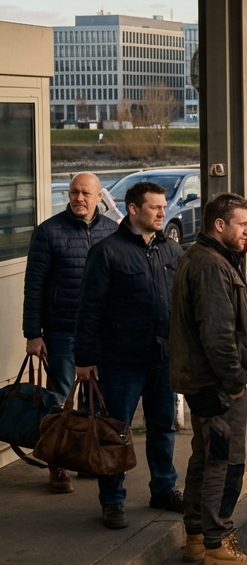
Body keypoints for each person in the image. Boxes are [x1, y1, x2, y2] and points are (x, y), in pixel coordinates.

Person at [169, 192, 247, 565]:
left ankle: (196, 536)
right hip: (215, 383)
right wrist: (234, 383)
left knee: (205, 455)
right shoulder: (210, 266)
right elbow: (216, 333)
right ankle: (218, 545)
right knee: (223, 462)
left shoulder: (208, 257)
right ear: (219, 226)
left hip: (201, 379)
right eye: (243, 225)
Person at [76, 180, 183, 530]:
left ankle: (164, 489)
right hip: (121, 360)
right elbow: (89, 309)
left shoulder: (171, 250)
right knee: (115, 431)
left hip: (163, 356)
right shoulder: (107, 252)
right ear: (134, 209)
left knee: (162, 427)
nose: (162, 213)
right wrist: (84, 359)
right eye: (155, 207)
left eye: (164, 207)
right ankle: (112, 500)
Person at [23, 172, 118, 493]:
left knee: (96, 401)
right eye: (74, 192)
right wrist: (32, 333)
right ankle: (58, 464)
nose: (79, 198)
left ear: (98, 197)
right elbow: (34, 286)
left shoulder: (111, 230)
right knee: (59, 400)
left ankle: (87, 457)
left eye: (86, 194)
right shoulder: (48, 232)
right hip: (62, 331)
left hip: (102, 333)